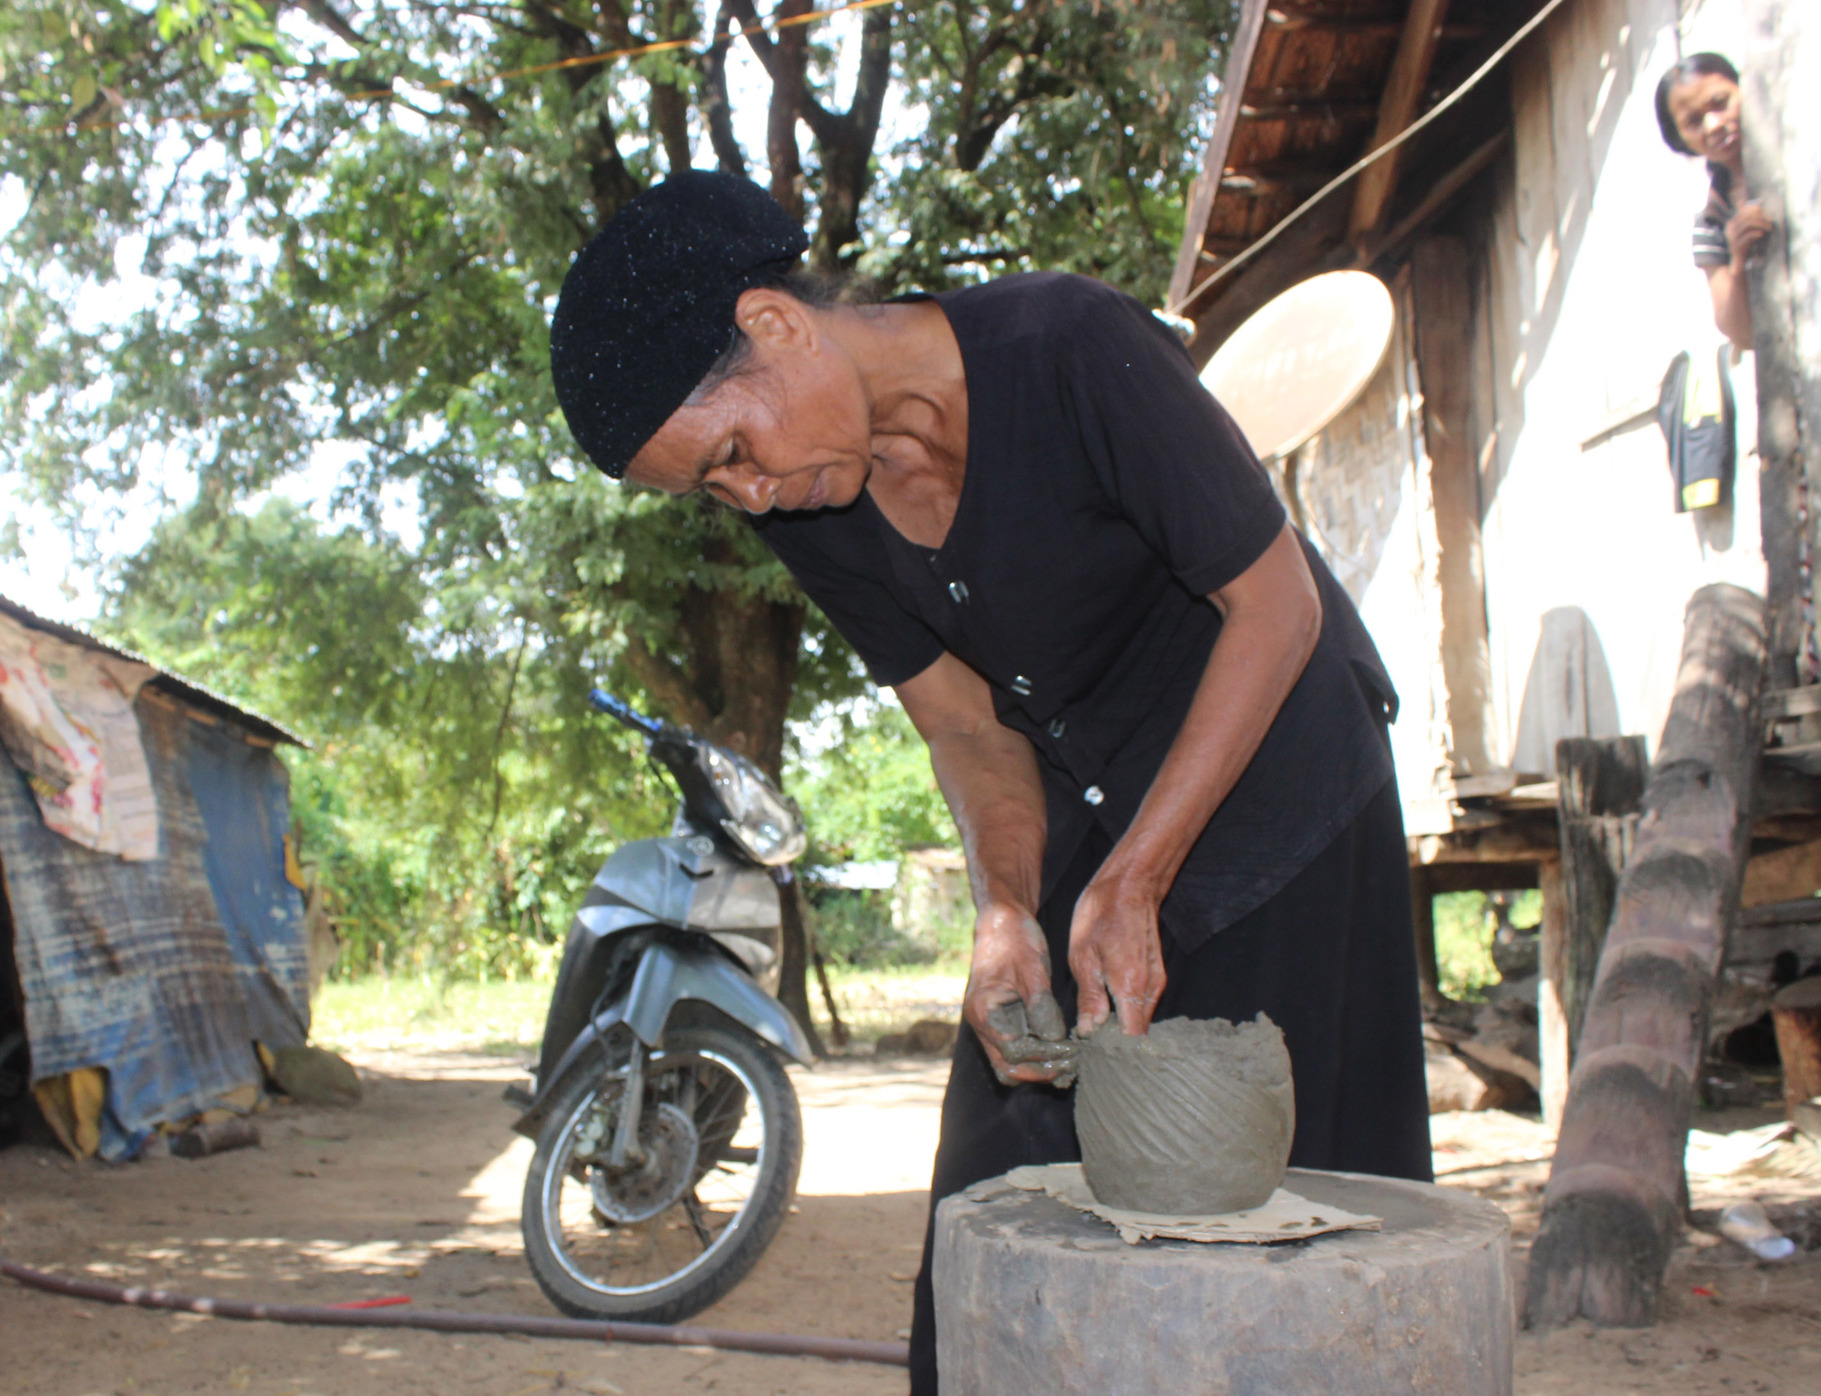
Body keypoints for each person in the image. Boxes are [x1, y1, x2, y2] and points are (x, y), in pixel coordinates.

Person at [546, 171, 1432, 1393]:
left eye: (734, 454)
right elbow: (967, 728)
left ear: (777, 326)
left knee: (1283, 1184)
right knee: (997, 1164)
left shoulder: (1066, 346)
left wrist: (1135, 879)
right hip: (1096, 803)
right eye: (713, 489)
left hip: (1281, 770)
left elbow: (1273, 608)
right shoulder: (816, 505)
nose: (746, 495)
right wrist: (1007, 908)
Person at [1655, 52, 1774, 351]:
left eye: (1720, 104)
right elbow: (1742, 335)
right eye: (1693, 122)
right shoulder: (1712, 224)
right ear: (1682, 139)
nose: (1713, 125)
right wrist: (1737, 258)